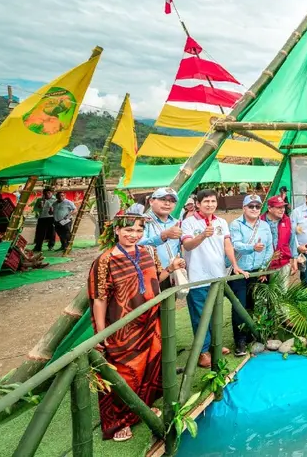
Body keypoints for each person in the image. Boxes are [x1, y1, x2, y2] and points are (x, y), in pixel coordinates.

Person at [88, 214, 184, 442]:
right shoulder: (105, 260)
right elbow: (99, 298)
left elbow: (156, 278)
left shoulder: (147, 251)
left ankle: (143, 407)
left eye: (139, 230)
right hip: (122, 327)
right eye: (128, 230)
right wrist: (101, 332)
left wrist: (170, 268)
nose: (134, 235)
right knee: (125, 373)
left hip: (150, 321)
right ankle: (120, 422)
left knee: (149, 367)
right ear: (116, 231)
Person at [181, 189, 248, 368]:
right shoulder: (188, 223)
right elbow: (187, 245)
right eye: (206, 201)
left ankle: (214, 345)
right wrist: (203, 235)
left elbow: (227, 245)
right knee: (200, 316)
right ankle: (203, 352)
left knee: (215, 313)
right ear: (198, 204)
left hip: (218, 275)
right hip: (197, 277)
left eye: (213, 201)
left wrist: (234, 265)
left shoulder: (221, 222)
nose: (210, 204)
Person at [228, 194, 272, 356]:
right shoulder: (236, 224)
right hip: (240, 272)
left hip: (258, 272)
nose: (254, 209)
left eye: (257, 206)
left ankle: (251, 334)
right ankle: (239, 340)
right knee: (239, 306)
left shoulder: (265, 225)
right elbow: (236, 245)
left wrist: (263, 268)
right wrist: (253, 247)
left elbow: (269, 248)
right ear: (244, 208)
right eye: (251, 206)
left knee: (253, 305)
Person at [138, 188, 183, 273]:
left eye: (172, 201)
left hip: (174, 272)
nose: (167, 203)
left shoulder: (176, 222)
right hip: (151, 273)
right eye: (163, 199)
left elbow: (179, 248)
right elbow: (137, 245)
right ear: (151, 201)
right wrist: (163, 236)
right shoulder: (141, 220)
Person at [262, 196, 297, 282]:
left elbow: (292, 241)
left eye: (283, 207)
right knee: (263, 289)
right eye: (279, 207)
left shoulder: (287, 220)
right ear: (269, 208)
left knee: (282, 290)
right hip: (263, 265)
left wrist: (294, 259)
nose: (282, 210)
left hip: (283, 263)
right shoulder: (260, 222)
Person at [32, 187, 57, 252]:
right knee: (40, 233)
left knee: (52, 232)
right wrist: (39, 206)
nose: (47, 194)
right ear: (43, 194)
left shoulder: (55, 200)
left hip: (51, 218)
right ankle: (38, 247)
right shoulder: (39, 200)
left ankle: (51, 246)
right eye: (45, 193)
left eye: (49, 193)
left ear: (52, 193)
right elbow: (35, 209)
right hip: (41, 218)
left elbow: (57, 209)